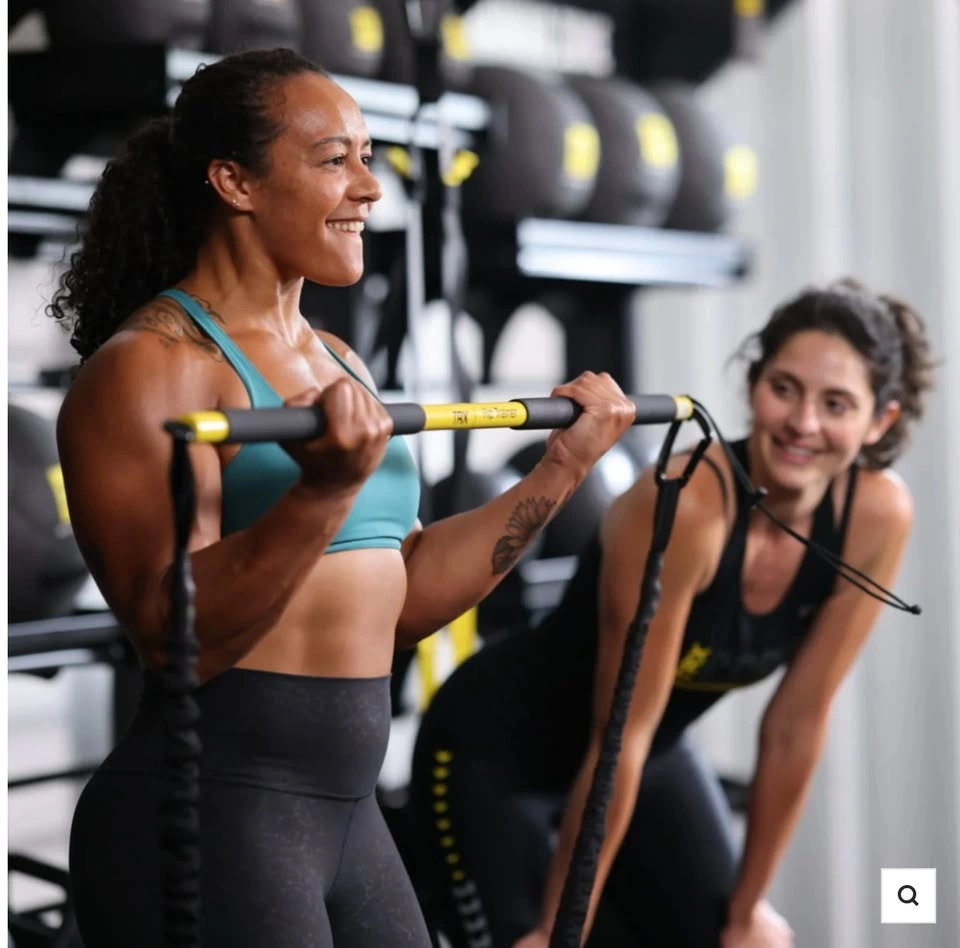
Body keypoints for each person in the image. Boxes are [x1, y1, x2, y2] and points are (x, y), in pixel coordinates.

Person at [49, 47, 638, 948]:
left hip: (347, 810)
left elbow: (404, 591)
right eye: (335, 160)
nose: (370, 188)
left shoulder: (338, 361)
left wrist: (561, 468)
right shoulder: (150, 369)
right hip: (215, 806)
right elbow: (172, 636)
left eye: (367, 156)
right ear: (234, 182)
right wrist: (322, 491)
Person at [408, 278, 935, 948]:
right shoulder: (688, 509)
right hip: (499, 754)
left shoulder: (876, 518)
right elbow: (617, 738)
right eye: (784, 388)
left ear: (879, 422)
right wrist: (555, 929)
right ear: (753, 384)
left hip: (650, 756)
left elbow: (794, 725)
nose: (803, 423)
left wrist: (746, 913)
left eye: (836, 404)